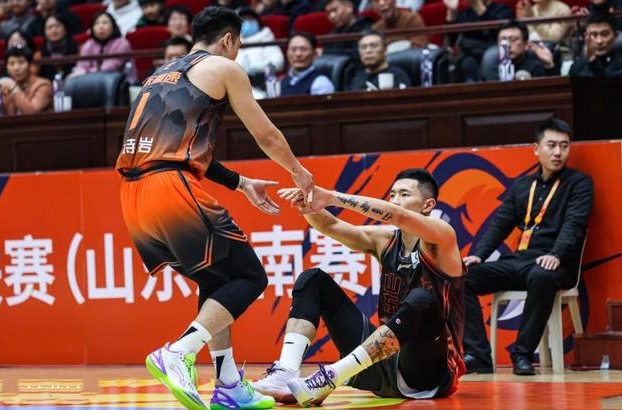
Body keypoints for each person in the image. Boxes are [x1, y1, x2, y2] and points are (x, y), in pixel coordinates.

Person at [114, 6, 314, 410]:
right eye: (237, 45)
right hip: (169, 186)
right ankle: (179, 351)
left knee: (215, 279)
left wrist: (241, 183)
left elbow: (175, 145)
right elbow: (265, 134)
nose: (236, 53)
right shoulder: (223, 67)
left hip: (133, 195)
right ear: (228, 39)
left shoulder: (160, 74)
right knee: (250, 276)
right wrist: (298, 171)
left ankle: (228, 384)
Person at [252, 168, 465, 407]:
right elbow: (330, 225)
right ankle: (285, 372)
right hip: (378, 364)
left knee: (423, 298)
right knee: (312, 279)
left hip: (428, 373)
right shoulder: (385, 241)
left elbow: (398, 216)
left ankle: (330, 377)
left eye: (404, 194)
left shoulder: (442, 238)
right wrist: (308, 204)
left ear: (428, 205)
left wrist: (330, 197)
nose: (395, 200)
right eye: (392, 194)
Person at [462, 118, 593, 376]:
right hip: (519, 260)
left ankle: (522, 354)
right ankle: (478, 355)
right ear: (536, 148)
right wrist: (479, 255)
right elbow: (500, 223)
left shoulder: (579, 183)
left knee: (542, 276)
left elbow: (574, 224)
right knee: (461, 277)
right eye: (551, 145)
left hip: (556, 264)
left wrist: (556, 254)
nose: (558, 152)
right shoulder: (523, 186)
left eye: (564, 146)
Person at [569, 12, 622, 94]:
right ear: (586, 37)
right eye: (594, 35)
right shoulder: (578, 65)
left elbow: (608, 93)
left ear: (616, 36)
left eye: (605, 34)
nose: (599, 41)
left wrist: (593, 62)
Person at [445, 0, 513, 82]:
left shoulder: (502, 9)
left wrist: (479, 8)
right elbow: (451, 41)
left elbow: (500, 32)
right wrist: (452, 13)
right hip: (469, 53)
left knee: (490, 56)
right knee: (467, 62)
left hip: (493, 47)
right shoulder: (466, 13)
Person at [70, 11, 138, 82]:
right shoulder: (89, 44)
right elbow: (81, 66)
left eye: (105, 23)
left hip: (121, 83)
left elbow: (111, 67)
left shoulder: (122, 43)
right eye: (96, 23)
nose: (100, 26)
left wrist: (86, 74)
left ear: (113, 27)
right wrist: (77, 74)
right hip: (92, 82)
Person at [235, 6, 285, 95]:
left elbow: (278, 62)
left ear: (258, 22)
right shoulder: (232, 41)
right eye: (243, 20)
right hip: (237, 84)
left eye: (250, 20)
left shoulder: (266, 38)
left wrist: (255, 68)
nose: (247, 23)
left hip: (261, 83)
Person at [482, 20, 553, 81]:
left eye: (513, 40)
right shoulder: (490, 64)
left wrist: (549, 65)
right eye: (503, 40)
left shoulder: (535, 62)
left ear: (526, 44)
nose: (507, 45)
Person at [346, 30, 411, 91]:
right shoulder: (355, 78)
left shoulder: (397, 76)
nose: (368, 51)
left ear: (385, 50)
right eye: (363, 47)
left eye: (374, 46)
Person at [0, 46, 52, 115]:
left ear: (30, 65)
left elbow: (32, 112)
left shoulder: (43, 85)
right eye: (11, 63)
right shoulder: (5, 87)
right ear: (7, 68)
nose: (16, 68)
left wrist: (14, 88)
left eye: (21, 63)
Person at [39, 13, 80, 80]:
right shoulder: (40, 54)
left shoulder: (78, 48)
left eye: (57, 26)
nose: (54, 30)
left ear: (66, 29)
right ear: (44, 32)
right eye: (50, 27)